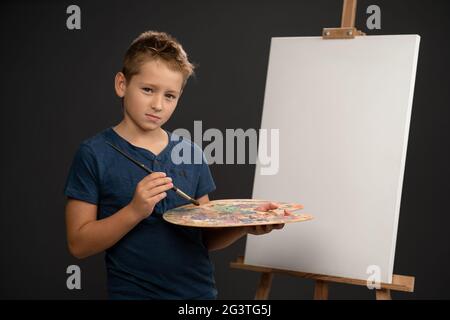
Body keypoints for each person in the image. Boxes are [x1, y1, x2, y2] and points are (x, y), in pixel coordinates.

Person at [63, 30, 289, 299]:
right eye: (148, 90)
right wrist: (134, 211)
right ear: (122, 84)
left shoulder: (191, 153)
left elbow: (205, 238)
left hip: (199, 296)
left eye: (170, 96)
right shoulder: (94, 153)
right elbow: (79, 244)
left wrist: (244, 226)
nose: (158, 104)